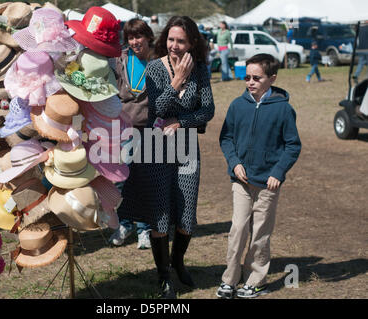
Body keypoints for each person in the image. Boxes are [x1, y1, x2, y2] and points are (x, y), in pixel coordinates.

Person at [117, 15, 215, 298]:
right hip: (155, 146)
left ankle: (178, 262)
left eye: (180, 41)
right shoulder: (155, 68)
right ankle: (163, 276)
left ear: (192, 42)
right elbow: (157, 108)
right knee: (159, 214)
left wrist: (182, 122)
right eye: (171, 39)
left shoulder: (201, 70)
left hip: (185, 145)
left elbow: (207, 111)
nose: (174, 45)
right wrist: (178, 80)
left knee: (186, 217)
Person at [217, 53, 301, 299]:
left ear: (271, 78)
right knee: (238, 229)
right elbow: (226, 138)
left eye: (257, 77)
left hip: (268, 184)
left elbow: (292, 145)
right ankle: (229, 280)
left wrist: (278, 172)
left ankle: (255, 280)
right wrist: (234, 163)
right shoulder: (237, 105)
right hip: (241, 181)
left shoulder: (284, 109)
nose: (250, 82)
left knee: (260, 233)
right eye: (247, 77)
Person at [110, 18, 154, 250]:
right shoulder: (120, 59)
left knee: (144, 181)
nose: (136, 42)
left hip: (149, 128)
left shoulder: (158, 61)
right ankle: (124, 223)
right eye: (131, 37)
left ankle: (144, 229)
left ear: (148, 36)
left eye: (139, 36)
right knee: (122, 180)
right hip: (123, 127)